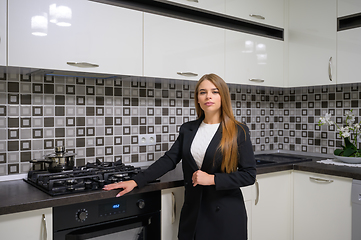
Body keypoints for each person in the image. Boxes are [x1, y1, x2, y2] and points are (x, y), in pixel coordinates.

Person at [103, 73, 256, 240]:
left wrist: (213, 179)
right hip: (193, 211)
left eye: (215, 91)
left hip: (224, 214)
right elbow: (169, 159)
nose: (208, 96)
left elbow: (248, 175)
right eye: (202, 92)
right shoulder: (187, 129)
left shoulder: (238, 131)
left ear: (223, 97)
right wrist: (136, 181)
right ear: (197, 98)